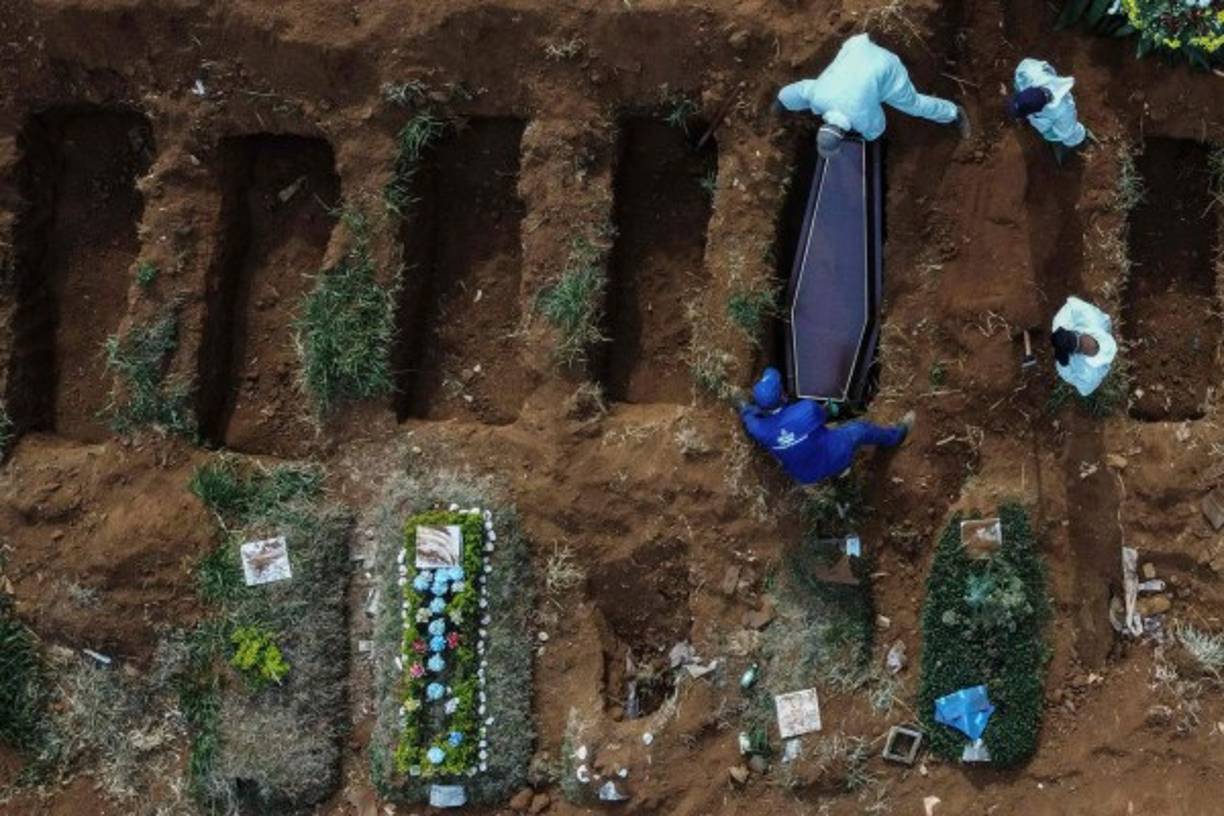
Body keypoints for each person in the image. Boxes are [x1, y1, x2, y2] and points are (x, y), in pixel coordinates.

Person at [774, 33, 971, 158]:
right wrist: (782, 101)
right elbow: (800, 89)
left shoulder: (861, 118)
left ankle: (954, 113)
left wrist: (865, 134)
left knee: (914, 104)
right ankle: (872, 46)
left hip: (886, 67)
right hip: (858, 46)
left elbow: (877, 129)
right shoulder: (818, 96)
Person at [739, 367, 915, 485]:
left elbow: (747, 415)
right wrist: (832, 407)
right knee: (859, 429)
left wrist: (744, 407)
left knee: (811, 438)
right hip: (832, 456)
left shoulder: (759, 429)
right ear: (783, 395)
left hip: (805, 476)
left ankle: (838, 472)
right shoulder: (805, 409)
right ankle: (897, 435)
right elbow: (825, 414)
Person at [1009, 58, 1088, 164]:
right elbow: (1028, 66)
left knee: (1070, 136)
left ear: (1038, 110)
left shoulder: (1062, 111)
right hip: (1041, 105)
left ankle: (1080, 141)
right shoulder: (1027, 72)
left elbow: (1066, 133)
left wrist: (1049, 135)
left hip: (1061, 127)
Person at [1050, 296, 1116, 397]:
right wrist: (1060, 329)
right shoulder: (1092, 318)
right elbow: (1072, 305)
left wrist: (1064, 365)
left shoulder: (1090, 375)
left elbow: (1083, 388)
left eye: (1081, 347)